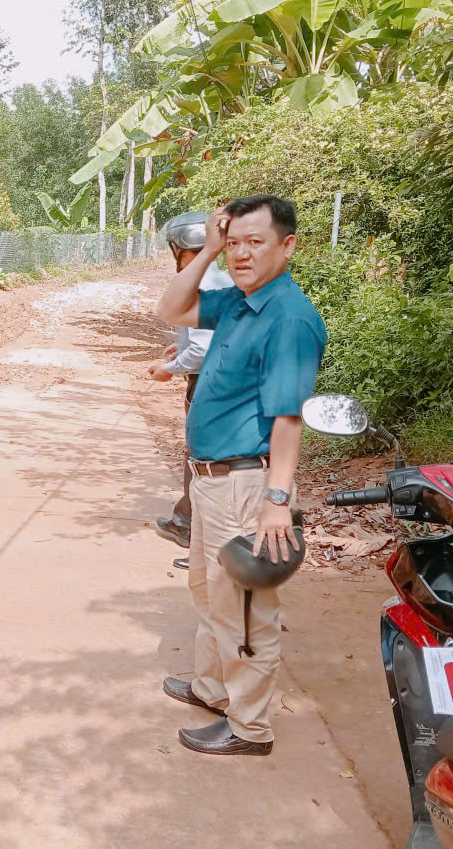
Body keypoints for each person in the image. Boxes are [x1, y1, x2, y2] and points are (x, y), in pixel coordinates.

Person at [155, 194, 327, 757]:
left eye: (256, 242)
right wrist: (207, 250)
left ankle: (251, 727)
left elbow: (288, 418)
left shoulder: (289, 318)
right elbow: (171, 309)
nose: (242, 254)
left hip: (247, 486)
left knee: (247, 613)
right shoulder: (238, 301)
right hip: (211, 481)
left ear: (287, 245)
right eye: (234, 243)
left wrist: (277, 500)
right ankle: (213, 690)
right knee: (210, 594)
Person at [148, 211, 234, 560]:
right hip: (223, 381)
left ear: (184, 248)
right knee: (207, 458)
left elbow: (201, 349)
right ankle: (186, 521)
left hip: (207, 384)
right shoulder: (222, 278)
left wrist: (169, 368)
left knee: (203, 460)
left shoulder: (199, 281)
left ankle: (197, 538)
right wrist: (179, 348)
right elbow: (208, 336)